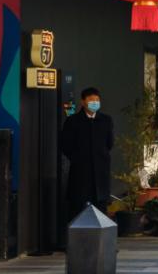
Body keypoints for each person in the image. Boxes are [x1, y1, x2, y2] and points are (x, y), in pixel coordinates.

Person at [61, 87, 114, 220]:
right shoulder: (73, 121)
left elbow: (109, 143)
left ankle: (100, 240)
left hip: (100, 170)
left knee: (100, 206)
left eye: (97, 100)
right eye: (91, 100)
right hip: (80, 171)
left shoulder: (106, 120)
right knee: (78, 206)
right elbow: (65, 145)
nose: (94, 102)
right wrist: (77, 158)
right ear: (83, 102)